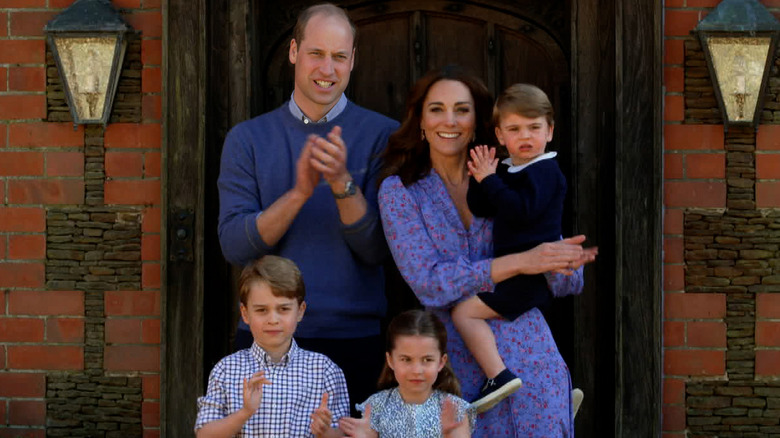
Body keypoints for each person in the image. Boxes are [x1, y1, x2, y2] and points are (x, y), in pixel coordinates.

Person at [377, 65, 596, 437]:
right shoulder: (401, 192)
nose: (450, 120)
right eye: (437, 109)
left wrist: (565, 263)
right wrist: (521, 262)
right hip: (453, 371)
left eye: (462, 109)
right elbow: (430, 283)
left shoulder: (511, 176)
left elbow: (566, 279)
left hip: (532, 358)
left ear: (477, 121)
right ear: (421, 122)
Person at [217, 3, 399, 414]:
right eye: (317, 53)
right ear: (294, 51)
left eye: (339, 57)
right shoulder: (246, 139)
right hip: (266, 340)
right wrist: (299, 192)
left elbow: (377, 251)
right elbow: (234, 247)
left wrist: (341, 184)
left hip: (355, 340)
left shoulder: (384, 136)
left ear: (353, 60)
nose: (328, 69)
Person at [450, 83, 566, 413]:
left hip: (530, 276)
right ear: (500, 135)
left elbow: (519, 210)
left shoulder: (545, 171)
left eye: (534, 128)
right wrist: (481, 175)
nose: (525, 136)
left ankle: (498, 376)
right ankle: (553, 396)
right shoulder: (511, 169)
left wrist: (491, 179)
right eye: (515, 129)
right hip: (514, 271)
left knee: (464, 312)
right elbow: (482, 206)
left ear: (550, 131)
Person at [194, 255, 349, 438]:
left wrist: (326, 432)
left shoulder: (325, 371)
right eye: (261, 310)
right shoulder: (226, 370)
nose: (273, 320)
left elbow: (342, 433)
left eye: (283, 309)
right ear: (245, 313)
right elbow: (205, 434)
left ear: (300, 311)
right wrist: (245, 412)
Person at [339, 310, 475, 438]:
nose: (416, 370)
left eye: (427, 360)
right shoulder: (376, 407)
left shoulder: (455, 410)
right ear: (390, 360)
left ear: (441, 362)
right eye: (406, 359)